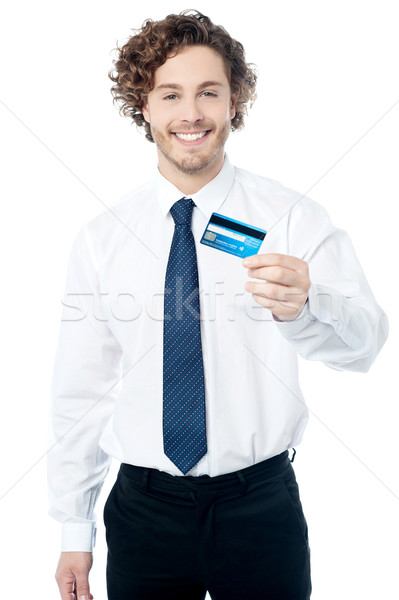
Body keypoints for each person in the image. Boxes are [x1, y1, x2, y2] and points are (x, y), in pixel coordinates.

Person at [48, 10, 388, 600]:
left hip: (260, 511)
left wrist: (306, 306)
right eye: (170, 94)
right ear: (144, 107)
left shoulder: (292, 220)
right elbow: (82, 390)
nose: (191, 113)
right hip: (142, 514)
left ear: (235, 101)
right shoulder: (101, 238)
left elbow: (365, 347)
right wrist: (74, 527)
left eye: (209, 92)